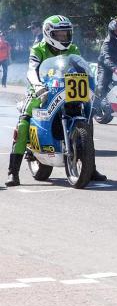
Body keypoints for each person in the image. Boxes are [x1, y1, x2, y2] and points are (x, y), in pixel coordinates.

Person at [6, 16, 106, 186]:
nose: (63, 38)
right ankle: (13, 172)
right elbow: (31, 70)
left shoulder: (73, 48)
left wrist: (93, 86)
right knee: (23, 123)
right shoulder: (39, 49)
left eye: (66, 34)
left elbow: (81, 69)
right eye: (59, 34)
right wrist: (37, 85)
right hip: (43, 91)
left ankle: (91, 167)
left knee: (87, 119)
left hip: (67, 89)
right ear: (48, 33)